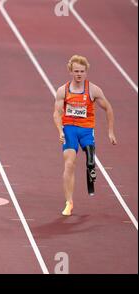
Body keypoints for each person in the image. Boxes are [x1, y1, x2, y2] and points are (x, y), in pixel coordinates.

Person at [53, 55, 117, 216]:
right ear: (70, 72)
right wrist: (60, 130)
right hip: (69, 129)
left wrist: (110, 132)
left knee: (89, 160)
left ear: (86, 72)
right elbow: (56, 113)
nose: (79, 74)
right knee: (69, 163)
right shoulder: (63, 90)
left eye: (82, 71)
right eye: (76, 71)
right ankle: (69, 202)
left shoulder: (93, 90)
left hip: (87, 130)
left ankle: (91, 166)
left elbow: (108, 108)